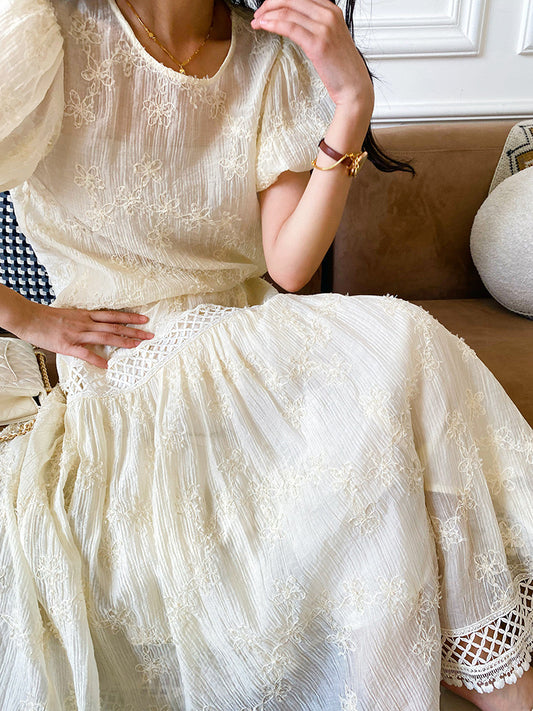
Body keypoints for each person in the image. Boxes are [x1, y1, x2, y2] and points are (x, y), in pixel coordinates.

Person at [0, 0, 532, 709]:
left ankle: (485, 674)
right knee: (400, 348)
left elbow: (288, 263)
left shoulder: (266, 57)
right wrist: (33, 321)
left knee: (400, 355)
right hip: (131, 360)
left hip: (254, 334)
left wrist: (350, 101)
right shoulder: (45, 30)